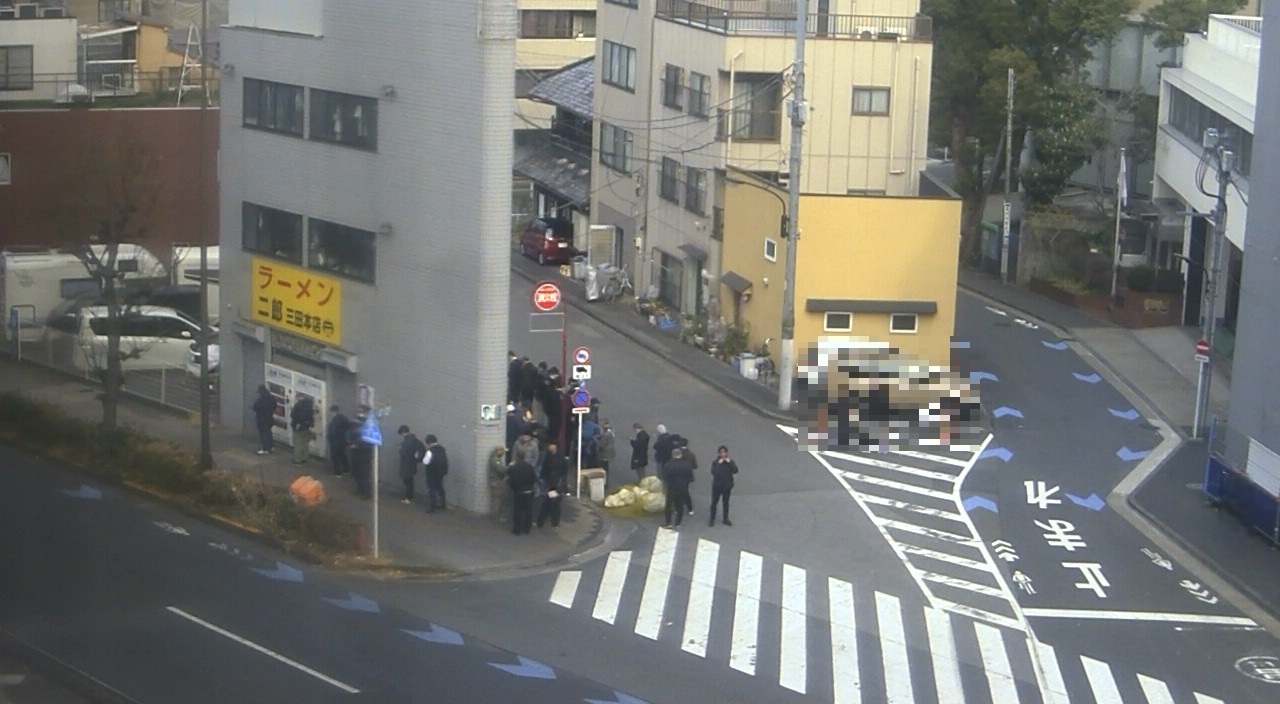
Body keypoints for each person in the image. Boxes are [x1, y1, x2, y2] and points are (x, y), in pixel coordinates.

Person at [535, 441, 569, 528]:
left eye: (551, 445)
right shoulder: (549, 457)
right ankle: (552, 522)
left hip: (556, 484)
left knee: (550, 503)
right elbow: (544, 469)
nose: (549, 446)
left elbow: (564, 472)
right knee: (552, 503)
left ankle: (543, 522)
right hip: (550, 483)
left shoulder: (560, 459)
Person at [661, 447, 695, 528]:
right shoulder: (687, 465)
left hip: (672, 487)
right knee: (679, 505)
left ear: (673, 455)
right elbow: (690, 477)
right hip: (682, 487)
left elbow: (665, 477)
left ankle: (668, 522)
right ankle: (678, 523)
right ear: (681, 455)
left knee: (668, 505)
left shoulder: (668, 465)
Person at [708, 445, 739, 526]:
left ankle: (725, 518)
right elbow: (714, 472)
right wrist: (719, 464)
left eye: (724, 452)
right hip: (717, 486)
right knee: (714, 502)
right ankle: (712, 519)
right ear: (718, 454)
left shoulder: (730, 462)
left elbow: (736, 470)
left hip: (727, 486)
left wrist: (730, 463)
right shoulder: (715, 462)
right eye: (721, 452)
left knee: (726, 503)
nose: (723, 454)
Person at [507, 456, 538, 535]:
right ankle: (527, 529)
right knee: (528, 511)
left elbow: (511, 480)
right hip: (528, 491)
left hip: (518, 492)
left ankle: (517, 530)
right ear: (524, 457)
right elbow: (534, 478)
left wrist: (514, 488)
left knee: (518, 511)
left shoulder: (514, 468)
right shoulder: (530, 467)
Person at [397, 425, 425, 504]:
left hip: (407, 463)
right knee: (409, 480)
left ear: (403, 432)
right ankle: (409, 496)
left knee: (407, 481)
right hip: (412, 463)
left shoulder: (407, 441)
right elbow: (422, 449)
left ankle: (408, 497)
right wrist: (417, 459)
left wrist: (400, 449)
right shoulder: (415, 440)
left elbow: (404, 453)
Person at [348, 411, 373, 498]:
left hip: (364, 456)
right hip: (358, 454)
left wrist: (357, 446)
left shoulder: (366, 432)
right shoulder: (357, 431)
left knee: (364, 474)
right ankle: (360, 489)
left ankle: (366, 492)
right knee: (358, 473)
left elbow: (366, 445)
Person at [421, 434, 448, 512]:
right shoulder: (442, 449)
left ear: (428, 443)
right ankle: (443, 504)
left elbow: (425, 462)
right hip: (441, 472)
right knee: (440, 488)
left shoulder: (430, 451)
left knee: (432, 489)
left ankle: (432, 507)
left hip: (432, 472)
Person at [289, 396, 316, 464]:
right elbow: (311, 417)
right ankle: (305, 458)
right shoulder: (309, 407)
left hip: (297, 427)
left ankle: (298, 459)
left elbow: (292, 414)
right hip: (305, 427)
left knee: (298, 443)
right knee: (305, 443)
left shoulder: (298, 405)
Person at [487, 444, 510, 522]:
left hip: (496, 481)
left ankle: (496, 516)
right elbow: (501, 470)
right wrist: (509, 466)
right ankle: (495, 516)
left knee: (499, 498)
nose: (504, 453)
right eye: (503, 451)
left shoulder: (495, 458)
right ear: (498, 451)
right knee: (498, 499)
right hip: (497, 482)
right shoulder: (495, 460)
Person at [325, 404, 350, 476]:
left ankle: (337, 472)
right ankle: (346, 469)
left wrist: (329, 437)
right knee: (342, 455)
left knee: (335, 456)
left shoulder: (334, 420)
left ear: (333, 411)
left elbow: (332, 430)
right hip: (342, 440)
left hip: (335, 440)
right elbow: (347, 427)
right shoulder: (344, 418)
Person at [251, 385, 276, 455]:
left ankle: (266, 449)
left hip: (261, 419)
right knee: (268, 433)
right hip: (270, 418)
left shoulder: (260, 400)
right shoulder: (271, 398)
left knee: (263, 434)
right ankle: (271, 447)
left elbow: (255, 407)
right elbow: (274, 406)